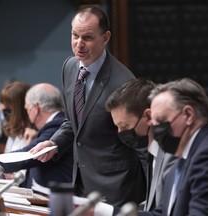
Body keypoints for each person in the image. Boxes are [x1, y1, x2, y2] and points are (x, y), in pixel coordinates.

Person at [30, 5, 145, 207]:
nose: (79, 44)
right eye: (75, 35)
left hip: (116, 186)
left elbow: (141, 145)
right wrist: (54, 143)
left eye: (88, 38)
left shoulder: (123, 82)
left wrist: (151, 199)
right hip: (80, 182)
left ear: (106, 37)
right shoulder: (70, 67)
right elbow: (72, 121)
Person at [141, 78, 208, 216]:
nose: (155, 129)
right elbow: (163, 213)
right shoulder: (182, 161)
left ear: (188, 115)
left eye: (161, 121)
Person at [105, 79, 176, 211]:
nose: (121, 133)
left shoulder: (171, 156)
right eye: (117, 127)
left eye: (125, 126)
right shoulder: (151, 152)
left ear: (148, 116)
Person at [0, 81, 33, 153]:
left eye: (7, 106)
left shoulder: (32, 134)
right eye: (2, 104)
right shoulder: (14, 132)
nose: (2, 108)